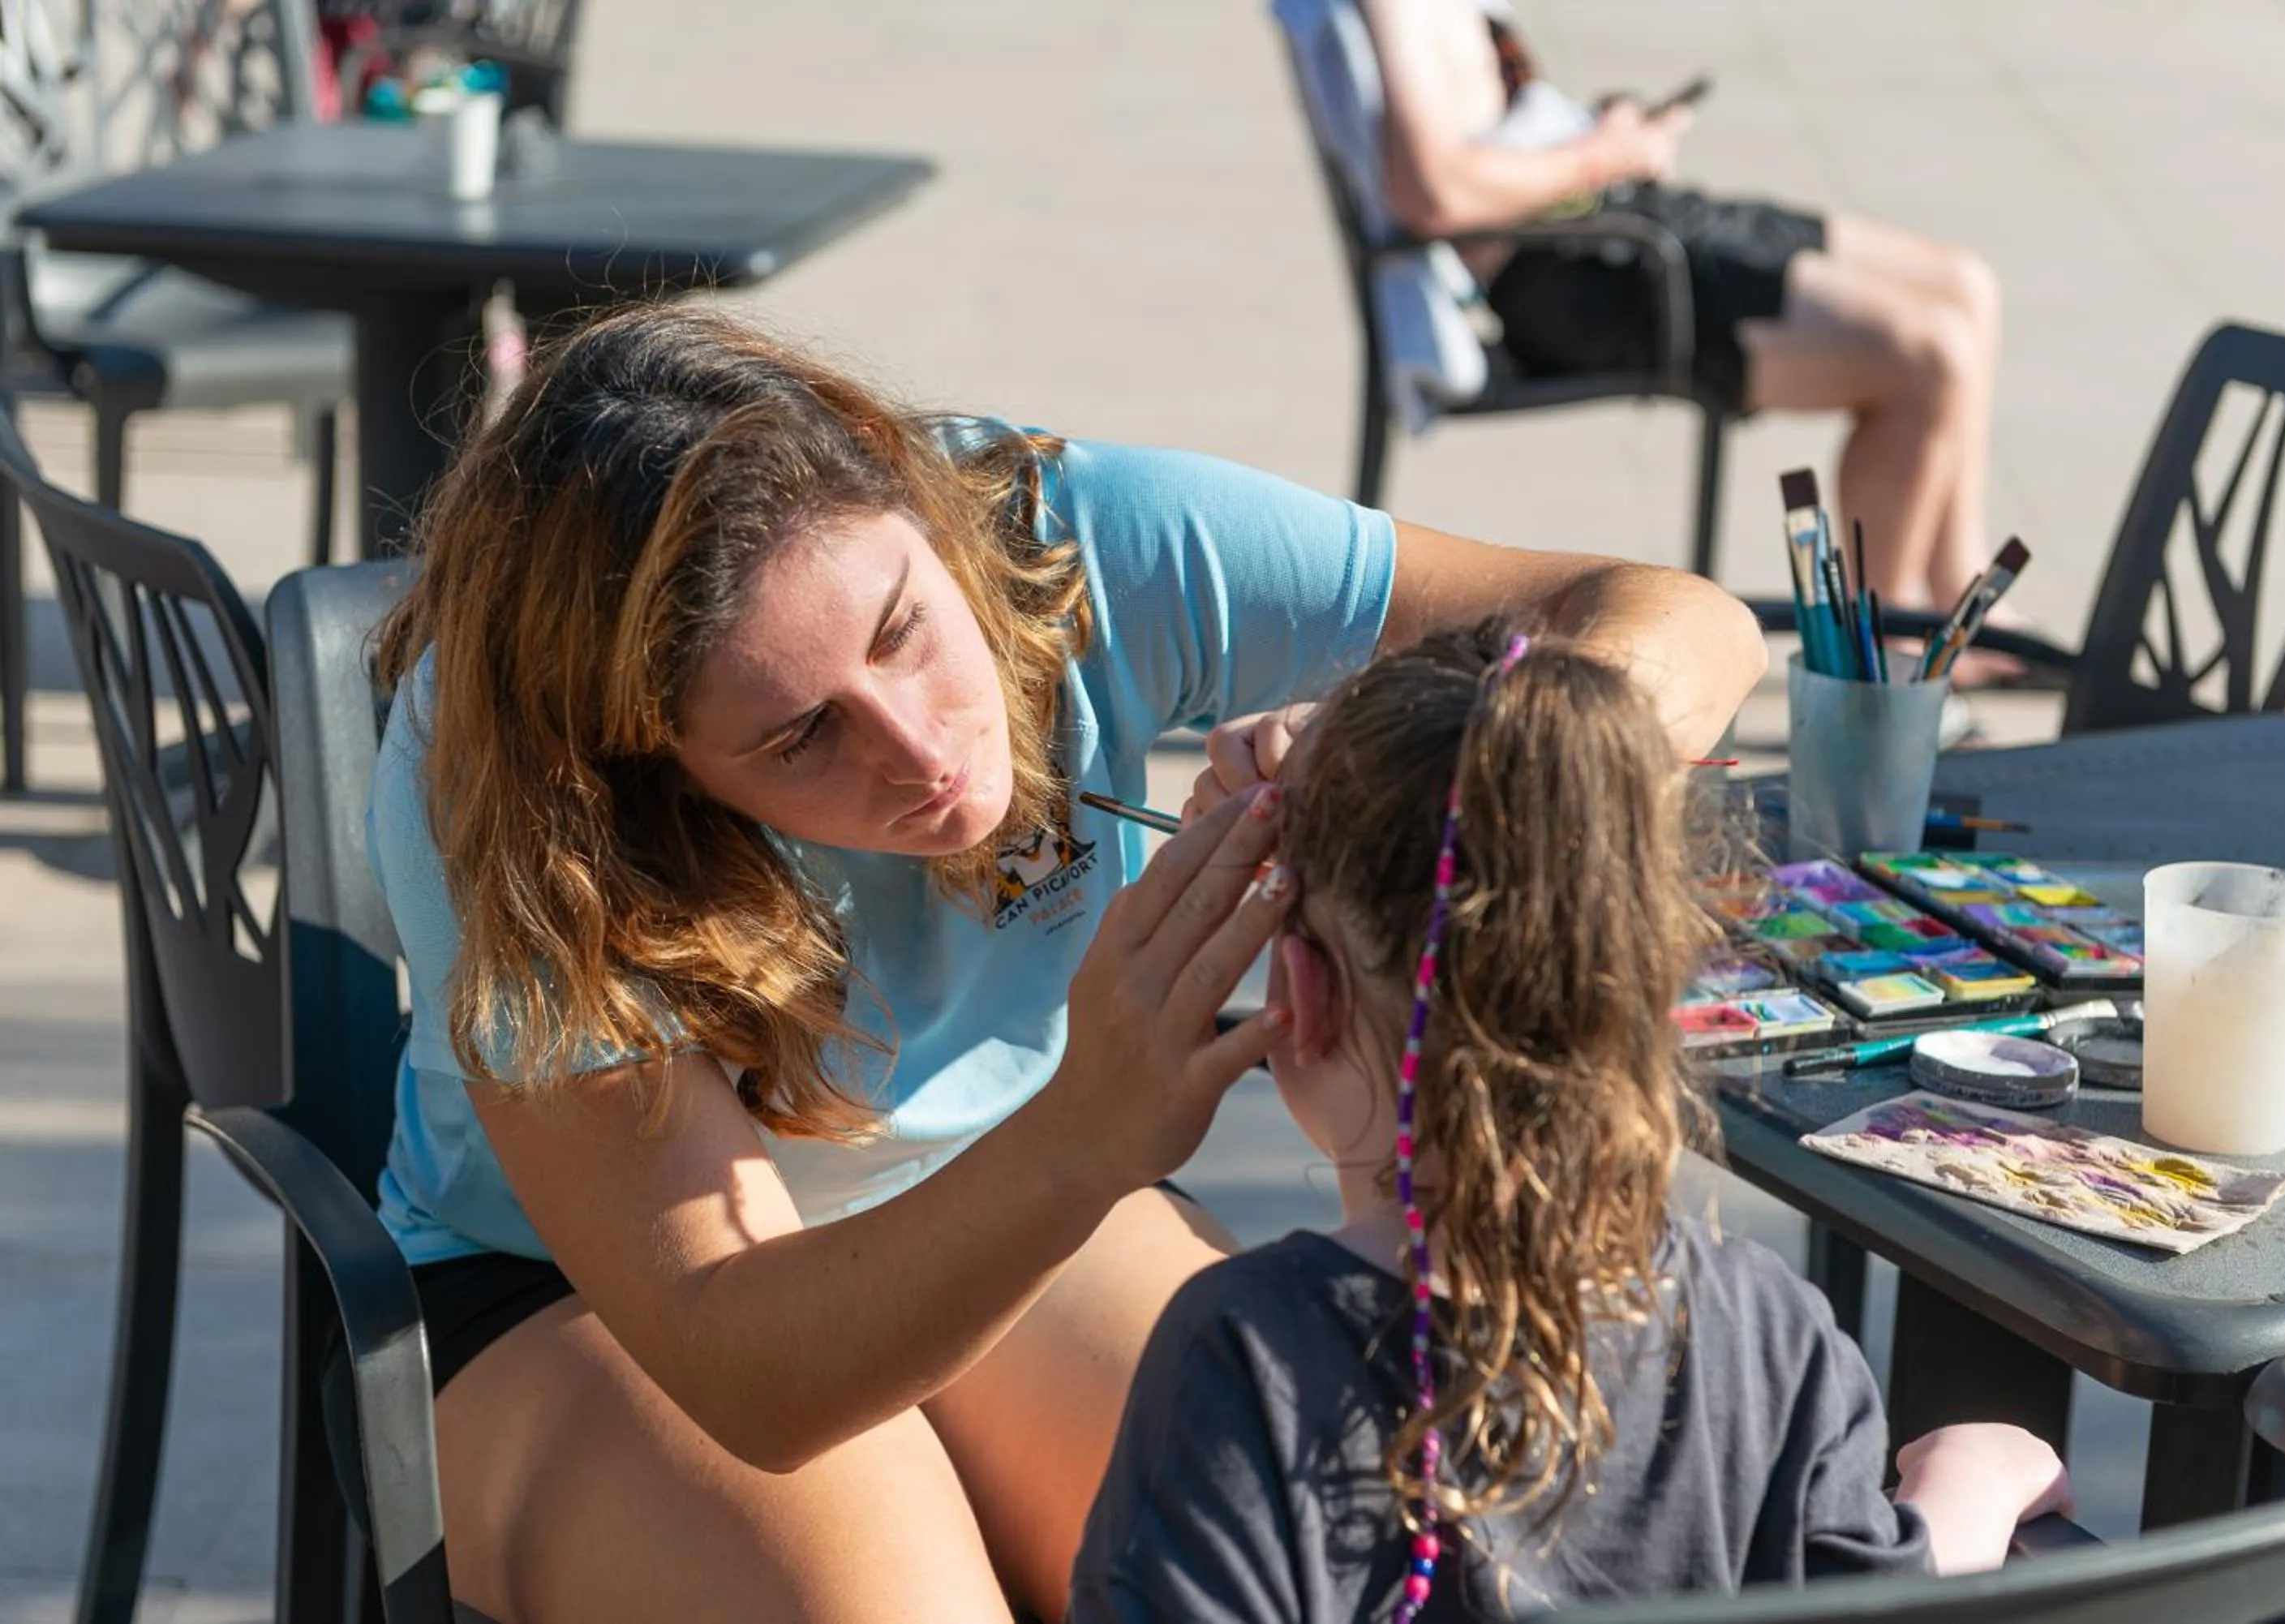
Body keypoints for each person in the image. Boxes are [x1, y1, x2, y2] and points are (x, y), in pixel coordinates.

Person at [358, 303, 1766, 1622]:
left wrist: (1456, 750)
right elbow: (749, 1372)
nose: (920, 748)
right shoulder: (507, 789)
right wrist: (1098, 1127)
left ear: (923, 507)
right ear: (653, 764)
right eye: (801, 737)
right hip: (581, 1299)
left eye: (904, 631)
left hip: (1019, 1175)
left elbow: (1675, 617)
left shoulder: (1056, 527)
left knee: (1350, 1548)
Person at [1070, 624, 2071, 1622]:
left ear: (1298, 989)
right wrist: (1977, 1480)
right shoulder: (1770, 1342)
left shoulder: (1246, 1367)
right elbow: (1883, 1602)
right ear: (1659, 989)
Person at [1364, 0, 2005, 619]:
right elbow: (1433, 194)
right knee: (1928, 357)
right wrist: (1605, 154)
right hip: (1578, 269)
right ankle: (1891, 650)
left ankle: (1961, 597)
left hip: (1612, 217)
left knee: (1965, 286)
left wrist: (1603, 135)